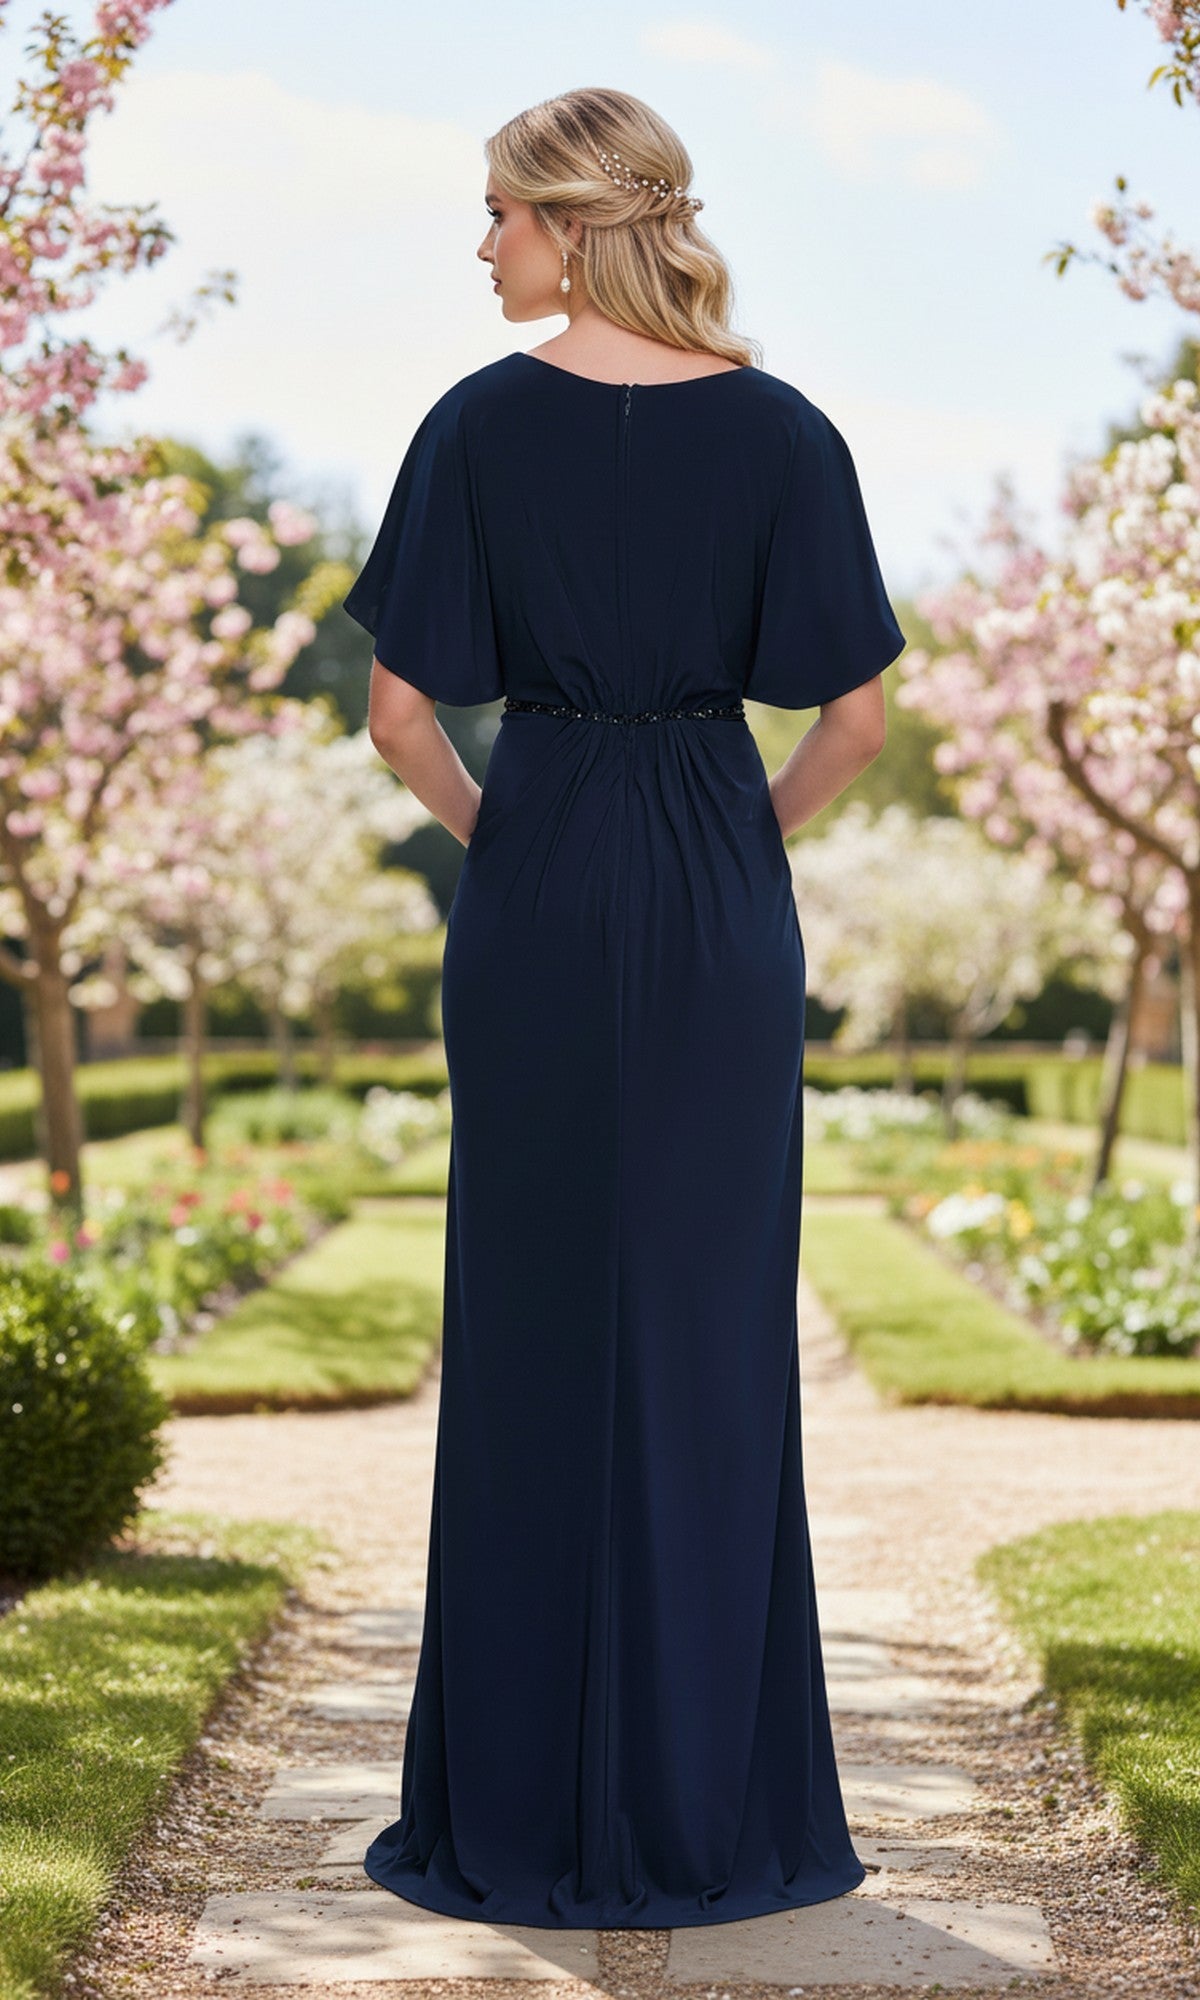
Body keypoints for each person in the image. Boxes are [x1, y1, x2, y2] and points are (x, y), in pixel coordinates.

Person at [341, 84, 906, 1932]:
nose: (483, 243)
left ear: (571, 225)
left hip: (545, 866)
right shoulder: (788, 435)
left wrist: (521, 838)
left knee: (524, 1330)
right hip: (715, 884)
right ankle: (709, 1808)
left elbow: (404, 717)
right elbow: (858, 720)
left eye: (497, 211)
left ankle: (509, 1802)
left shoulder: (480, 429)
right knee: (709, 1333)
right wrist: (737, 845)